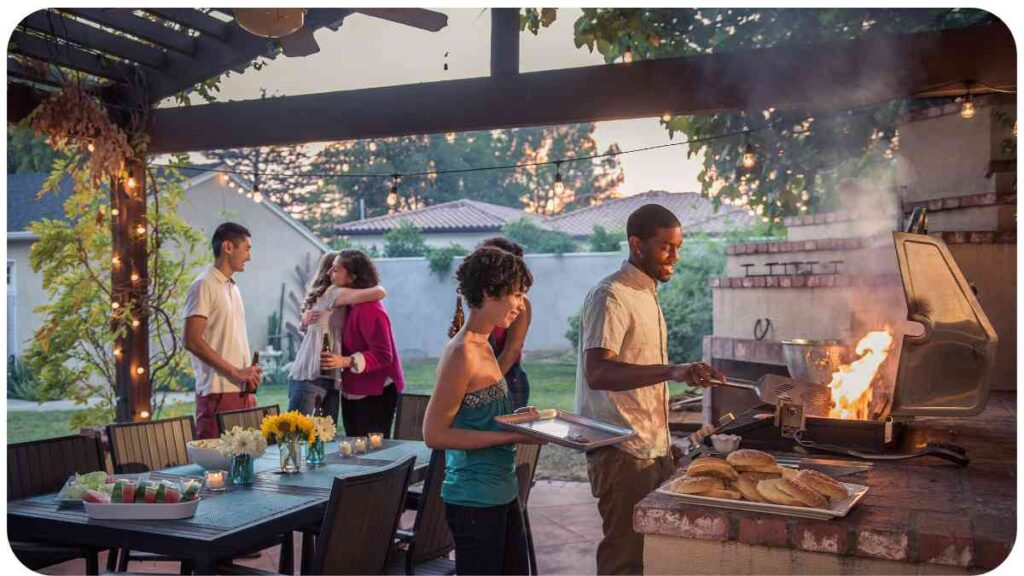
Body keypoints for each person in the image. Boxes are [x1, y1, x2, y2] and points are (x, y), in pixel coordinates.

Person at [575, 204, 726, 575]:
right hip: (621, 450)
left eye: (678, 247)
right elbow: (598, 372)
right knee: (625, 560)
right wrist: (675, 371)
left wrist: (663, 441)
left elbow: (639, 377)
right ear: (636, 244)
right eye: (665, 247)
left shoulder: (647, 292)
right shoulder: (611, 295)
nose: (674, 255)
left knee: (653, 557)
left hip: (651, 446)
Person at [423, 246, 541, 576]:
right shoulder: (461, 352)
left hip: (502, 492)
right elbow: (434, 434)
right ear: (489, 292)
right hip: (474, 501)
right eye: (516, 294)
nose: (521, 304)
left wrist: (525, 421)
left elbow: (480, 414)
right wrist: (507, 434)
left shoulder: (484, 344)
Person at [184, 222, 262, 440]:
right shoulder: (203, 285)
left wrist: (247, 375)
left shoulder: (232, 286)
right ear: (228, 247)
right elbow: (191, 340)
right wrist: (235, 372)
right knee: (217, 466)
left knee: (245, 463)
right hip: (217, 392)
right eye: (246, 248)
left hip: (240, 391)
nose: (249, 256)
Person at [289, 251, 387, 416]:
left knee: (324, 434)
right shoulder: (336, 293)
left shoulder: (338, 298)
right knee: (298, 434)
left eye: (336, 269)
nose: (330, 273)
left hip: (327, 375)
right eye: (332, 269)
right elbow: (380, 292)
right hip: (312, 374)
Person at [320, 250, 405, 437]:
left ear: (352, 277)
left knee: (372, 452)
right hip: (354, 387)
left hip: (377, 391)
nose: (329, 273)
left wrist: (345, 362)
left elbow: (384, 355)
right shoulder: (348, 305)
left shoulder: (370, 310)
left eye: (335, 270)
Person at [448, 237, 532, 409]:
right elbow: (438, 431)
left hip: (507, 375)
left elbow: (512, 349)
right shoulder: (461, 350)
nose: (520, 303)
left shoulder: (517, 308)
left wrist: (488, 387)